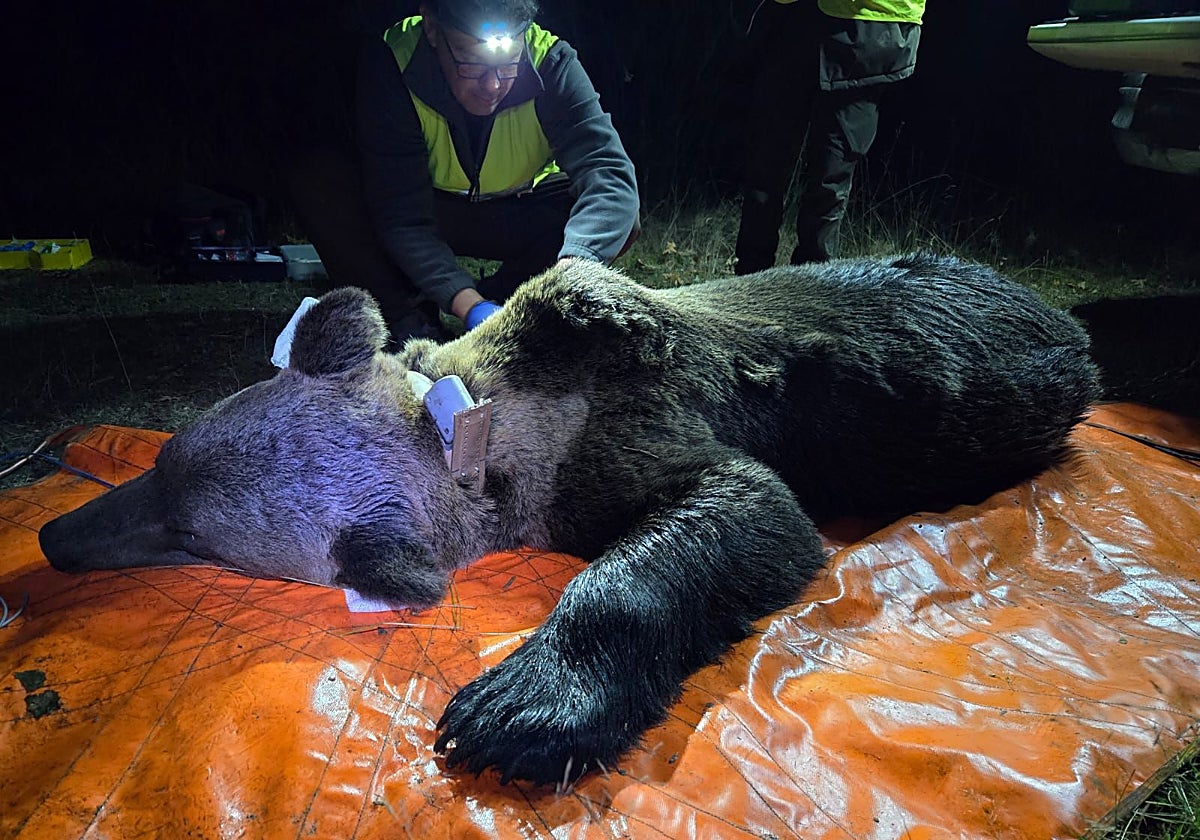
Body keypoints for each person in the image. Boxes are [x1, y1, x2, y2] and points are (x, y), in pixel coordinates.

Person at [291, 0, 640, 340]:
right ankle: (406, 318)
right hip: (430, 209)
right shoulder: (394, 62)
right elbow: (402, 215)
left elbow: (608, 172)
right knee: (323, 186)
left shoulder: (551, 62)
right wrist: (467, 305)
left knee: (612, 221)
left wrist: (571, 270)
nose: (492, 86)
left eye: (508, 64)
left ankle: (518, 303)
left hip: (516, 210)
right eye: (471, 63)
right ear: (431, 27)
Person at [734, 0, 925, 274]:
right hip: (802, 18)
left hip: (870, 31)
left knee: (828, 179)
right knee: (767, 165)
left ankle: (810, 296)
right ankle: (746, 287)